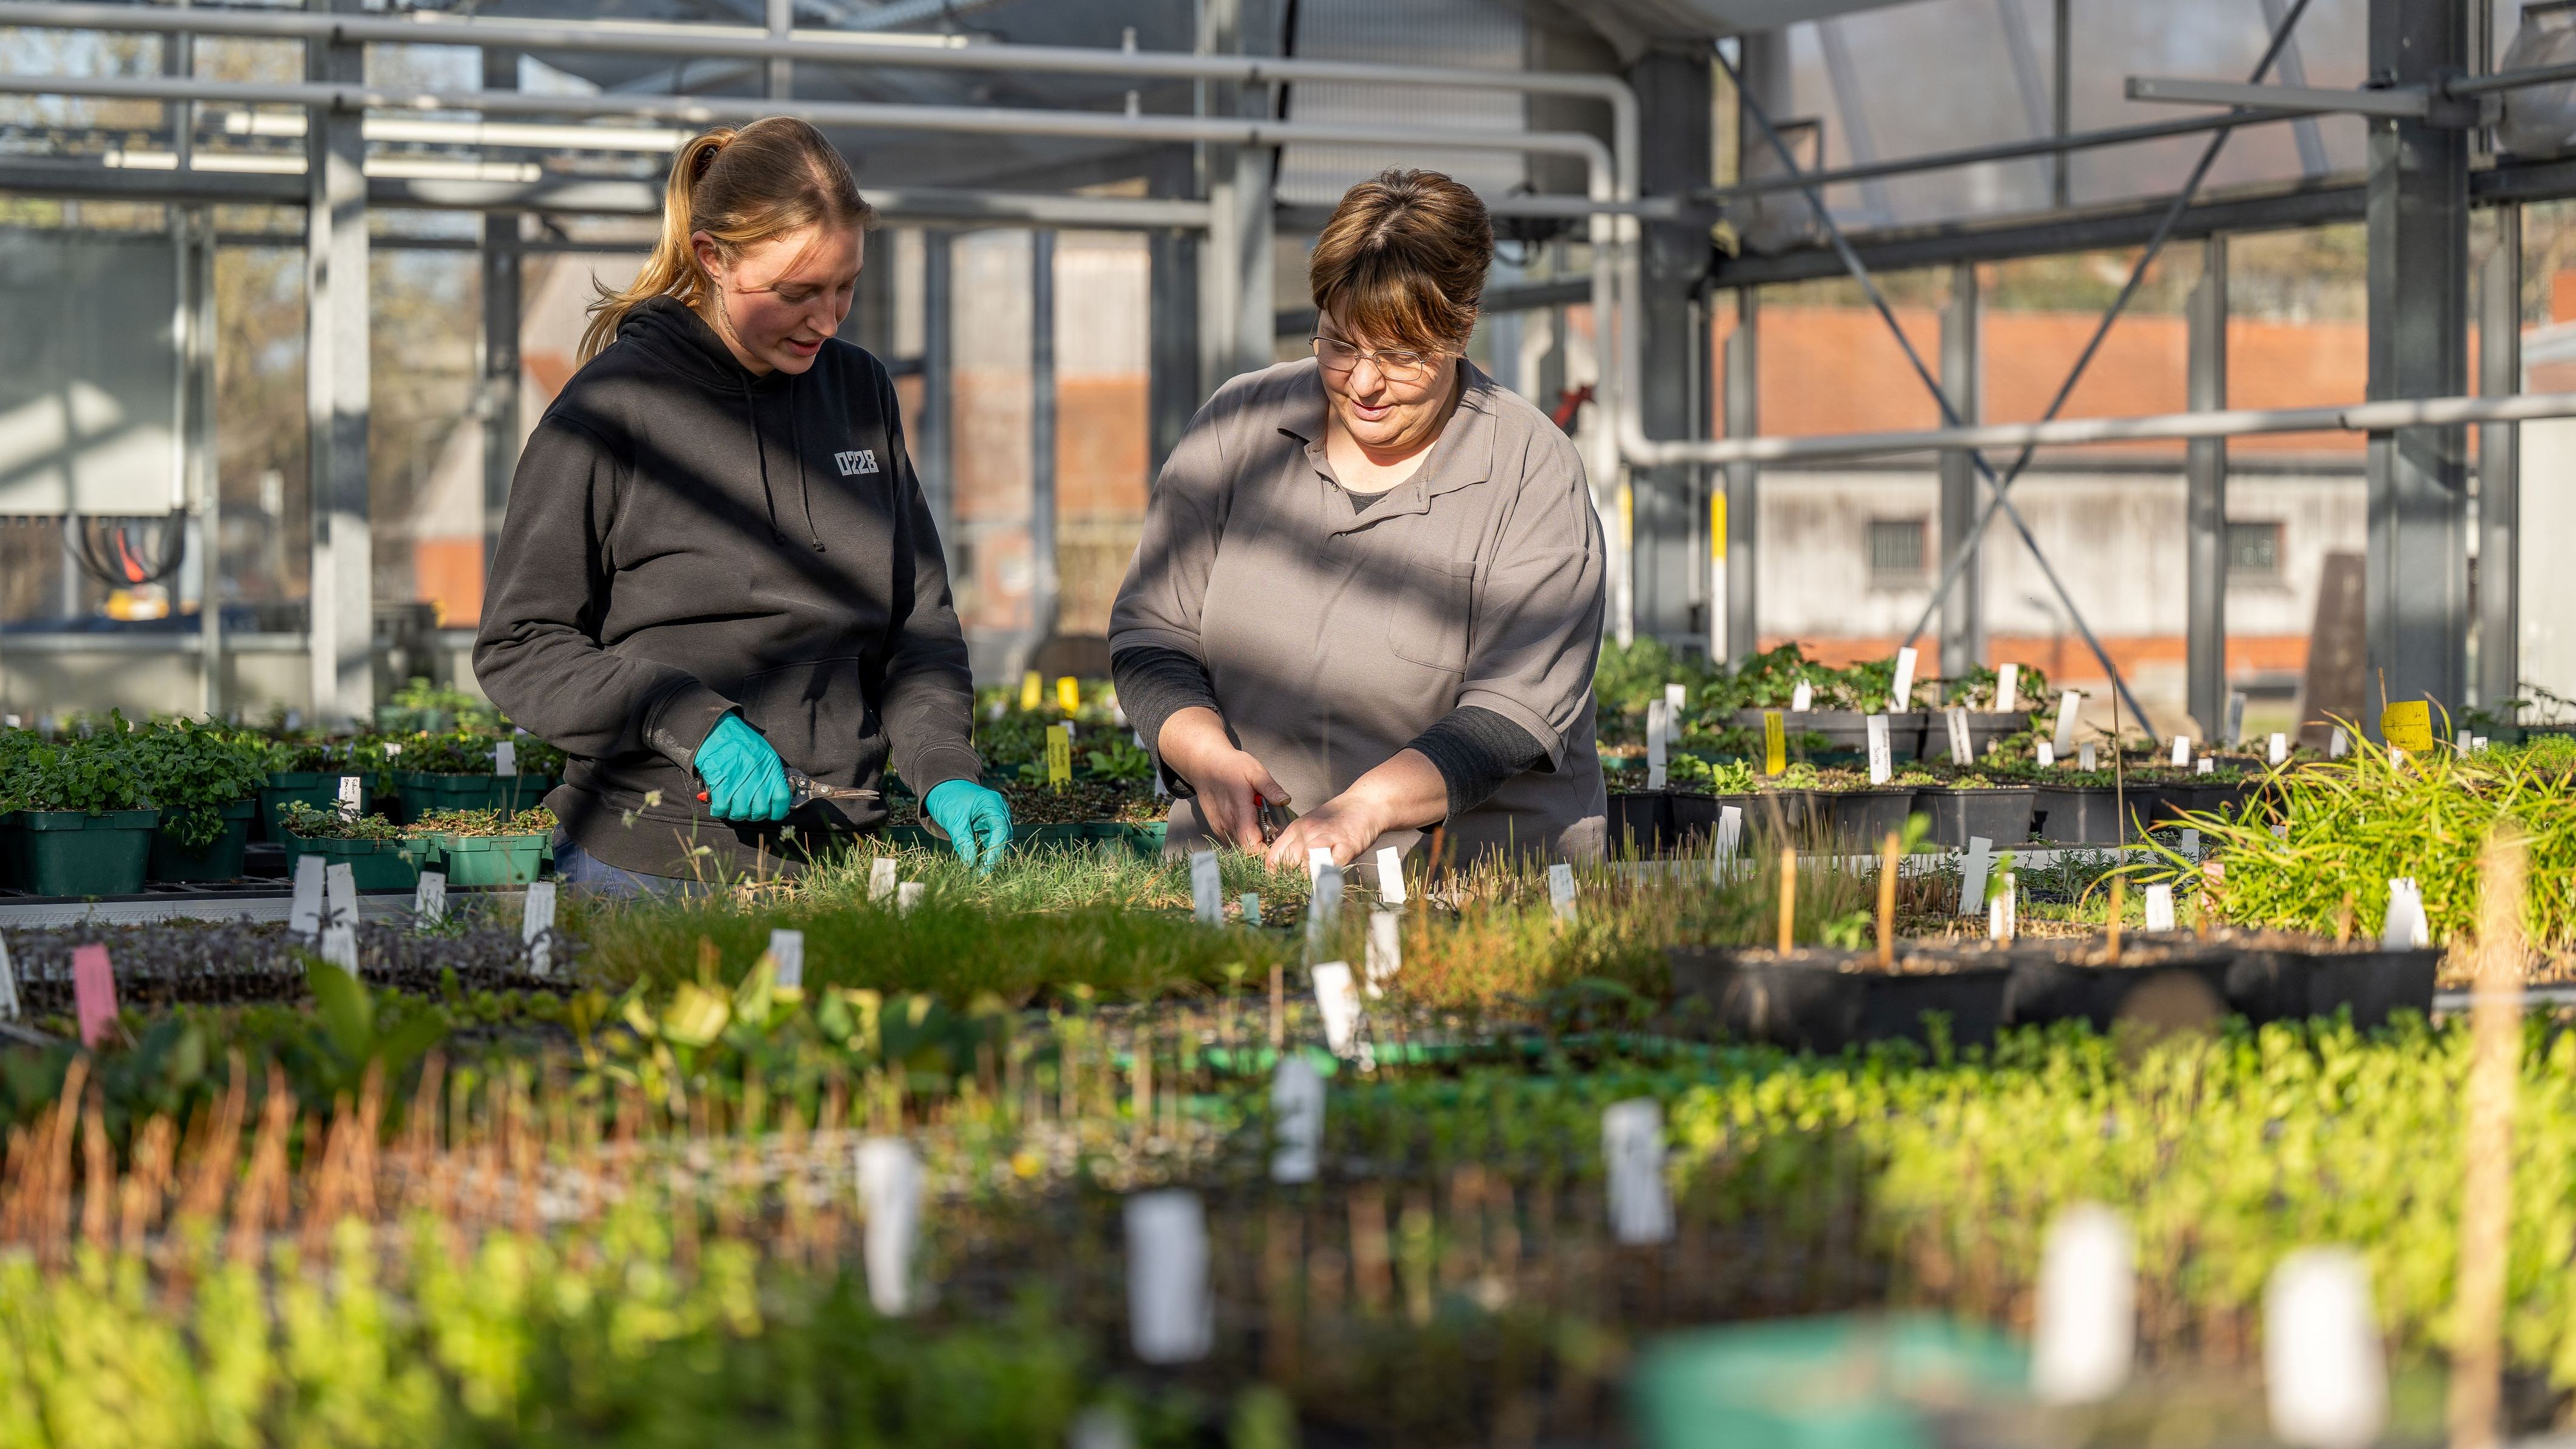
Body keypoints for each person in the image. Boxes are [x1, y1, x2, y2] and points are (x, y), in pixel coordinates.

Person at [476, 117, 1011, 893]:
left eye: (846, 286)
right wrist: (689, 722)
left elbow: (917, 627)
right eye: (797, 293)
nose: (827, 320)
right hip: (650, 861)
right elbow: (518, 644)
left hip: (843, 857)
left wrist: (943, 767)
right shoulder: (613, 411)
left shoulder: (859, 394)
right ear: (713, 258)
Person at [1110, 167, 1607, 874]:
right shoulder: (1239, 426)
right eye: (1340, 344)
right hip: (1246, 872)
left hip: (1467, 889)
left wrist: (1366, 807)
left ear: (1462, 329)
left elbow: (1513, 710)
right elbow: (1152, 631)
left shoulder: (1529, 470)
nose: (1365, 383)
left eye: (1401, 355)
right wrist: (1206, 756)